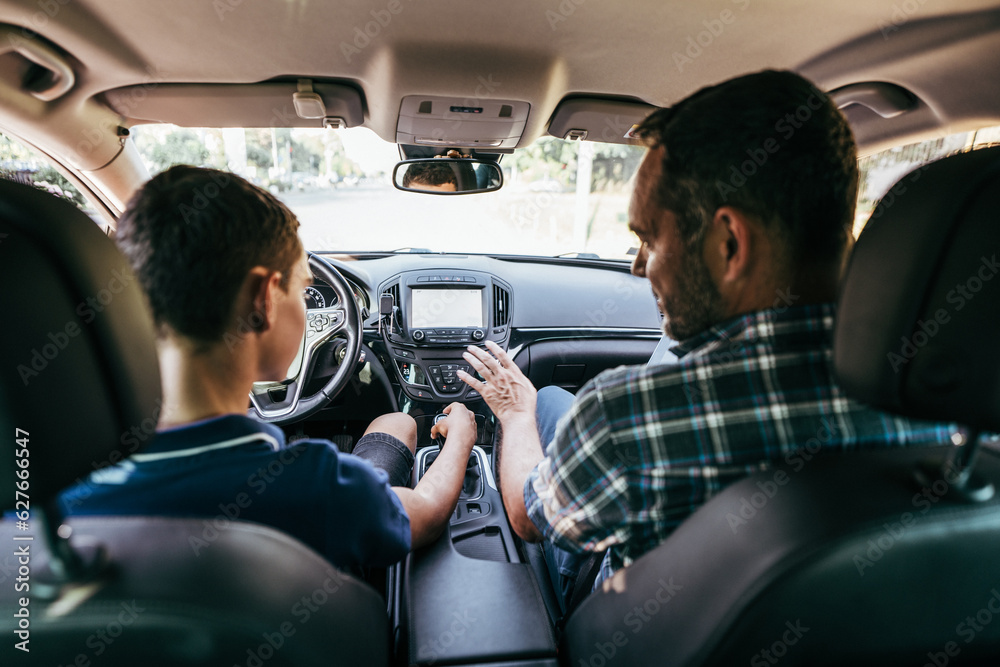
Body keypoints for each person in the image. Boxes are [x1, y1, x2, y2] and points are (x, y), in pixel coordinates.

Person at [456, 69, 957, 611]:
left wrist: (513, 413)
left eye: (649, 239)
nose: (638, 266)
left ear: (729, 244)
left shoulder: (627, 419)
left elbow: (527, 518)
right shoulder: (953, 409)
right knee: (554, 403)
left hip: (624, 624)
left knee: (542, 408)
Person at [59, 165, 477, 571]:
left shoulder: (54, 485)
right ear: (264, 299)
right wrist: (461, 436)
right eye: (304, 289)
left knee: (395, 424)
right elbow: (425, 513)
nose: (305, 306)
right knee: (398, 423)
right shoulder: (314, 489)